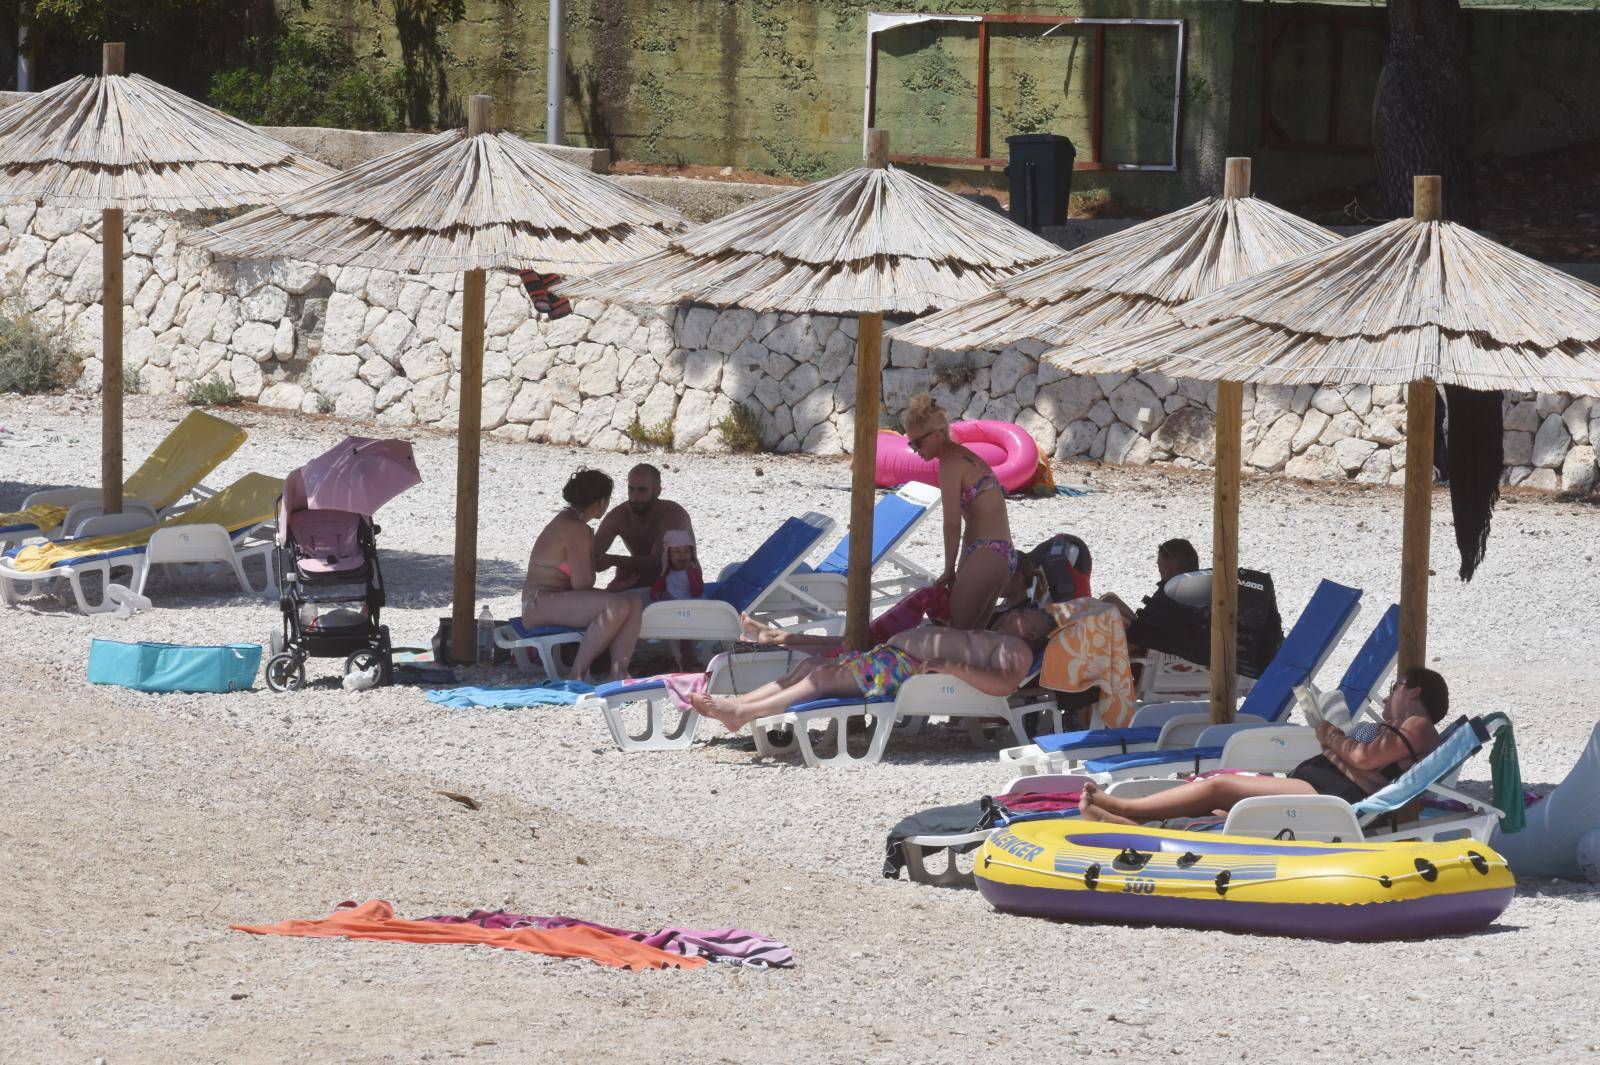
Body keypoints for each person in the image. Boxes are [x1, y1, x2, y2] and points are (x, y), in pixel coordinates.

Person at [1077, 667, 1449, 824]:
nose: (1388, 697)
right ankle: (1131, 819)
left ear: (1414, 692)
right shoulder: (1401, 729)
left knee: (1219, 788)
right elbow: (1362, 761)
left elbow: (1361, 757)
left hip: (1335, 794)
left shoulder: (1418, 726)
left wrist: (1329, 735)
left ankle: (1127, 809)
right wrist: (1342, 750)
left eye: (1396, 687)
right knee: (1224, 803)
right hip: (1327, 784)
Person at [691, 614, 1055, 732]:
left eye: (1024, 616)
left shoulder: (1016, 648)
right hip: (892, 657)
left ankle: (741, 714)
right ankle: (738, 702)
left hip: (907, 668)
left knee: (822, 679)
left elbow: (1005, 683)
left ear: (1033, 632)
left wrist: (949, 666)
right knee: (811, 666)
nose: (1013, 614)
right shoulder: (999, 637)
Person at [903, 393, 1015, 631]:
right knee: (974, 635)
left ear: (935, 435)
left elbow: (952, 524)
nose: (915, 450)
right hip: (996, 553)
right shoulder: (962, 457)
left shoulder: (951, 464)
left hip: (986, 553)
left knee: (956, 634)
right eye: (910, 444)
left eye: (917, 443)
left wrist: (949, 569)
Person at [521, 469, 643, 682]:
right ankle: (577, 674)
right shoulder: (576, 529)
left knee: (633, 601)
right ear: (601, 501)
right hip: (537, 603)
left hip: (551, 600)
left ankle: (619, 672)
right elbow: (583, 583)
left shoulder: (569, 520)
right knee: (617, 605)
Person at [592, 463, 694, 594]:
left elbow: (658, 563)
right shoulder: (619, 515)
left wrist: (613, 560)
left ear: (657, 491)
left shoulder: (674, 515)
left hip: (680, 585)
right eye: (631, 489)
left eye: (642, 490)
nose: (635, 496)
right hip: (639, 580)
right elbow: (591, 556)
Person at [1101, 537, 1199, 626]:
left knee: (1107, 601)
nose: (1159, 570)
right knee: (1109, 598)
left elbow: (1142, 630)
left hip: (1148, 640)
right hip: (1162, 634)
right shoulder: (1202, 588)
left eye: (1161, 569)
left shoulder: (1168, 594)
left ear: (1171, 568)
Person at [651, 529, 705, 671]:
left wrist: (691, 574)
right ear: (668, 555)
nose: (682, 555)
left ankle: (687, 656)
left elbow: (697, 591)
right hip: (674, 606)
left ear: (692, 553)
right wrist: (655, 592)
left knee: (684, 630)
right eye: (677, 551)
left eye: (686, 551)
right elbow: (661, 584)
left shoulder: (693, 571)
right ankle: (676, 657)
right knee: (672, 631)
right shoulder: (668, 571)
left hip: (693, 607)